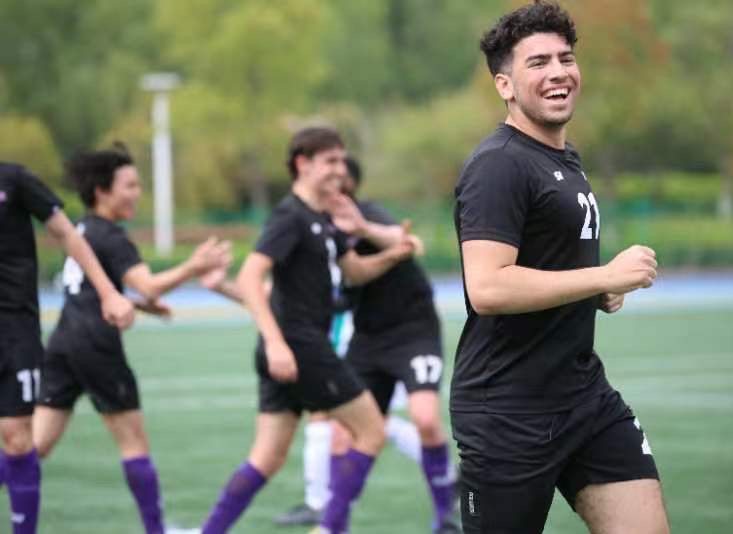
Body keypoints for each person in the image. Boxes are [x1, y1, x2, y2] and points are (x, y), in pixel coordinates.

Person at [451, 2, 669, 533]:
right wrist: (603, 276)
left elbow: (543, 263)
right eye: (538, 62)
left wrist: (594, 293)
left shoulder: (562, 158)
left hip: (583, 397)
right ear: (505, 84)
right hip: (508, 413)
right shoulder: (499, 165)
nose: (558, 73)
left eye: (565, 58)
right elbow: (488, 286)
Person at [197, 127, 414, 534]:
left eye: (341, 160)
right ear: (303, 163)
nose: (339, 169)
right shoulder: (290, 216)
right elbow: (250, 278)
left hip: (291, 349)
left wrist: (392, 255)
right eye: (330, 161)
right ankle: (329, 529)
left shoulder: (323, 218)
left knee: (267, 458)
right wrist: (278, 343)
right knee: (370, 431)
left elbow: (354, 272)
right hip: (298, 347)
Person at [31, 144, 230, 534]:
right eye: (130, 185)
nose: (137, 193)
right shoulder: (110, 236)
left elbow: (92, 290)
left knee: (33, 448)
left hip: (63, 342)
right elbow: (150, 284)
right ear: (103, 191)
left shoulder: (81, 229)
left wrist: (137, 306)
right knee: (133, 444)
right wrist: (194, 265)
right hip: (96, 346)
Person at [0, 160, 134, 534]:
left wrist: (108, 292)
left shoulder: (14, 178)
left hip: (14, 329)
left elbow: (68, 234)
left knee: (18, 437)